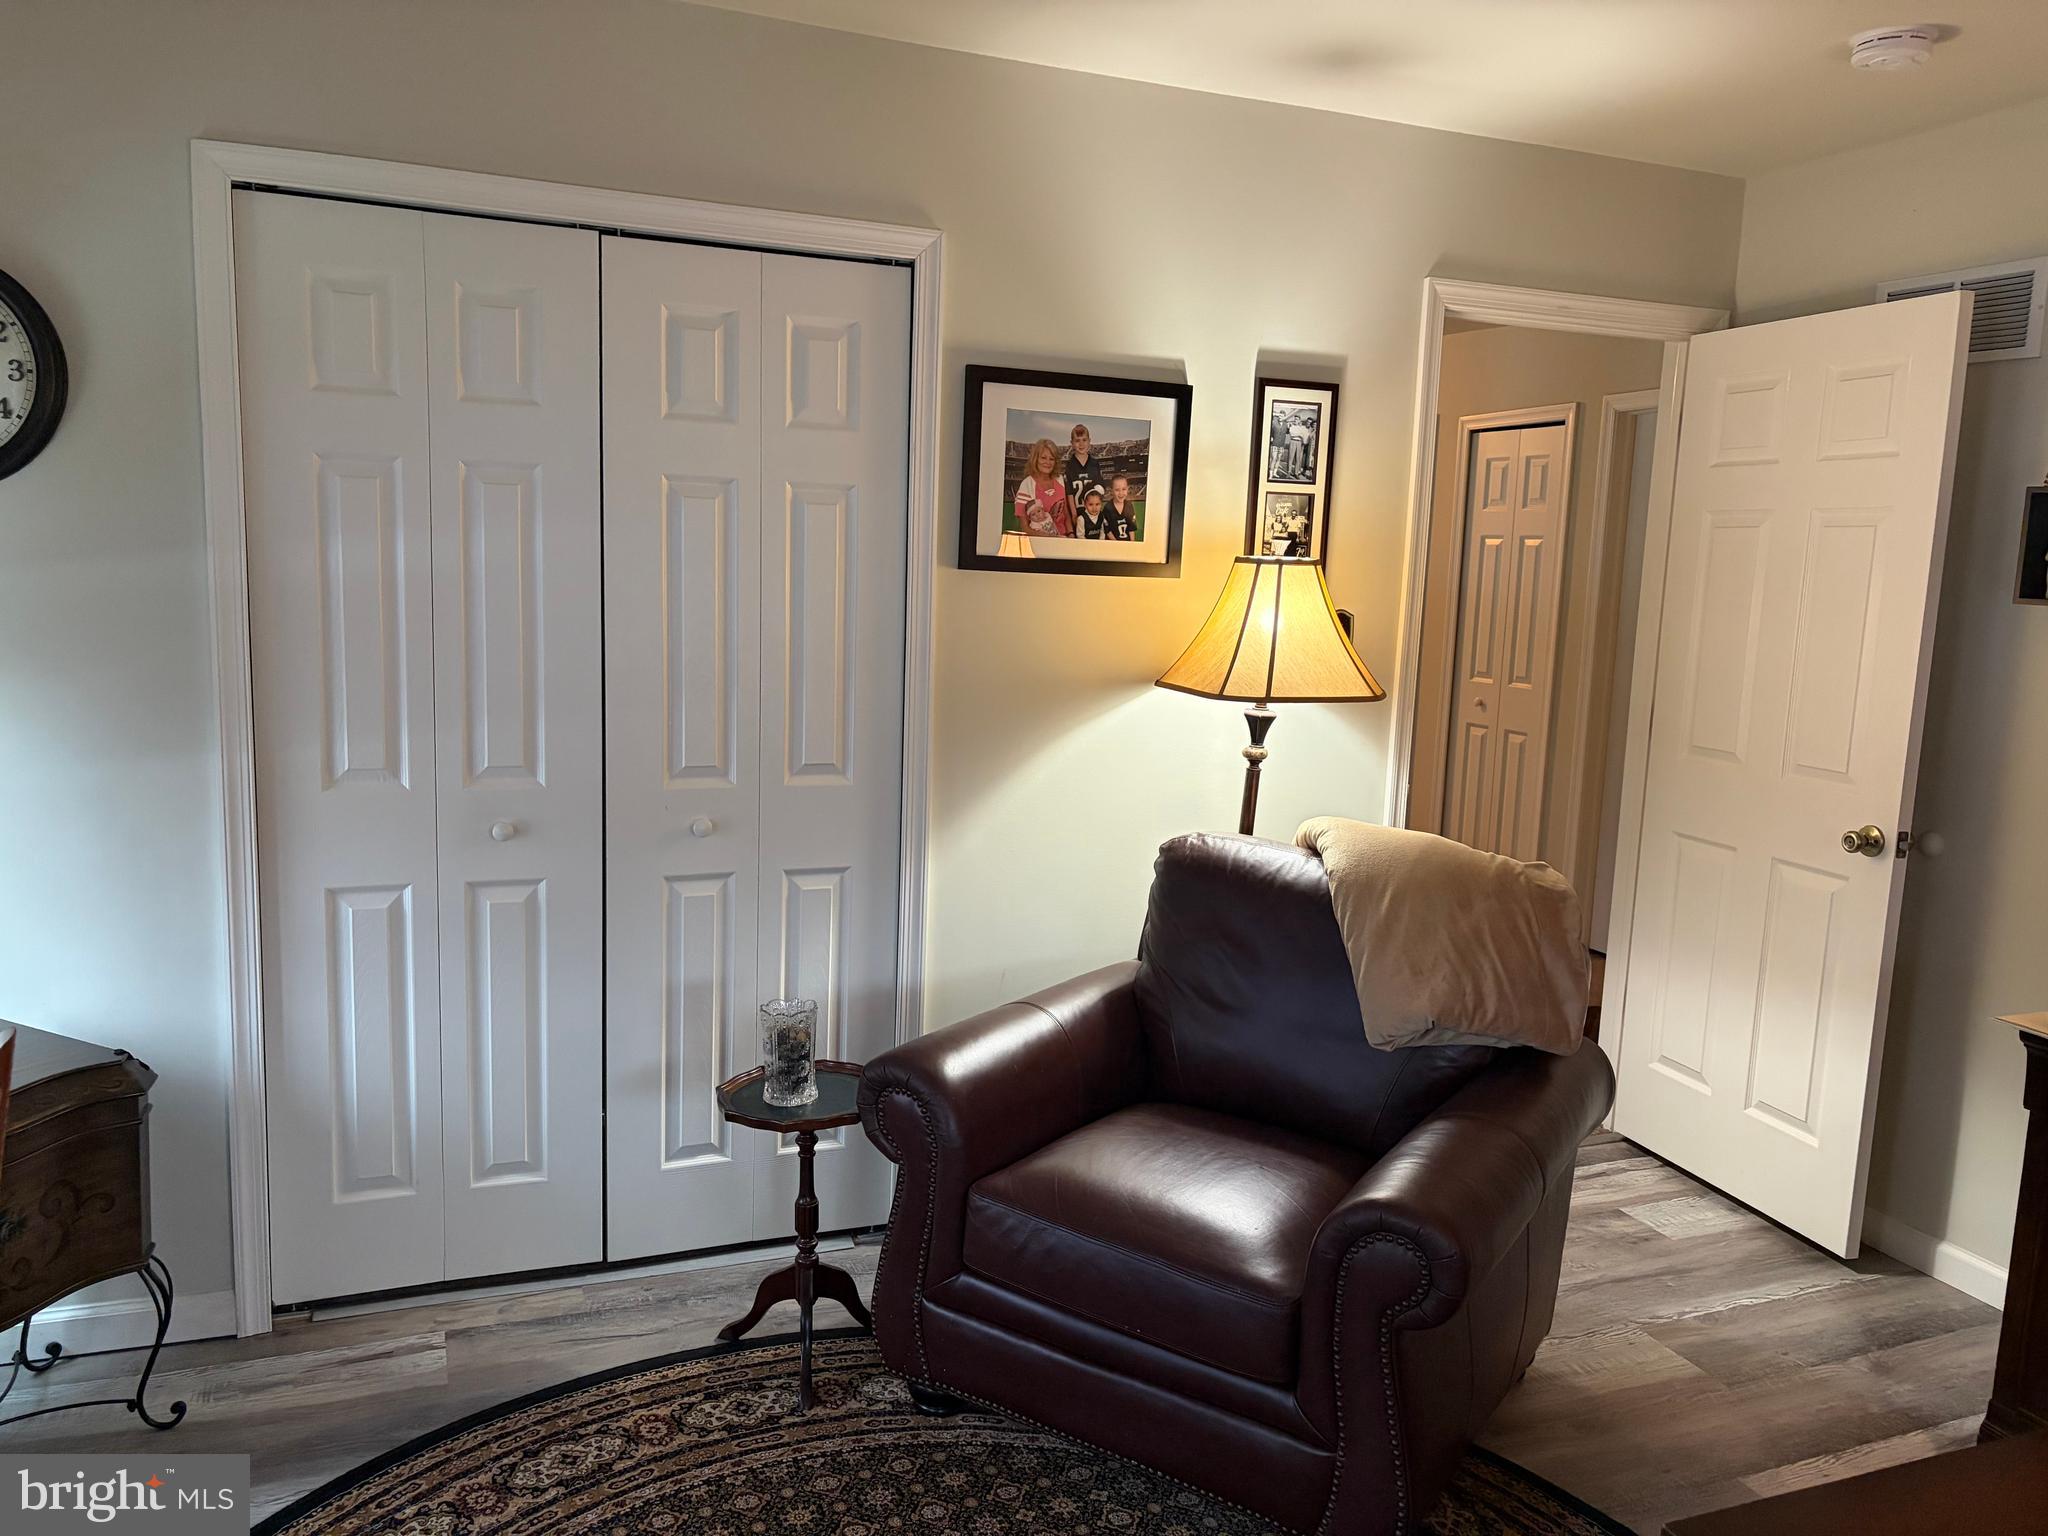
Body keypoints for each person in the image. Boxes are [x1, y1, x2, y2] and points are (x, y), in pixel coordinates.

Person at [1012, 438, 1072, 537]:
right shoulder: (1027, 485)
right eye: (1043, 458)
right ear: (1036, 459)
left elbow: (1066, 514)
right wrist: (1048, 538)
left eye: (1051, 459)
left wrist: (1071, 534)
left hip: (1063, 538)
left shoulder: (1060, 480)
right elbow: (1025, 528)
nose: (1047, 462)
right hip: (1039, 541)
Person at [1062, 422, 1107, 517]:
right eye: (1077, 440)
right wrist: (1074, 515)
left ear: (1089, 441)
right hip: (1077, 513)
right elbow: (1069, 494)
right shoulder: (1069, 465)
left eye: (1084, 440)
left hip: (1093, 514)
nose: (1081, 444)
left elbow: (1099, 490)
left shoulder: (1095, 464)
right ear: (1072, 443)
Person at [1103, 475, 1138, 541]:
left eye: (1124, 489)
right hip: (1113, 544)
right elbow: (1108, 531)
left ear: (1127, 489)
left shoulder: (1129, 506)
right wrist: (1117, 544)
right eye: (1117, 490)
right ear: (1111, 491)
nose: (1121, 493)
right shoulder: (1107, 508)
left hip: (1127, 543)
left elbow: (1131, 528)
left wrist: (1132, 543)